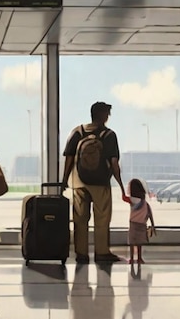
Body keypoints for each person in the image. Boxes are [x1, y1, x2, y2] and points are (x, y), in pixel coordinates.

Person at [61, 101, 126, 264]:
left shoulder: (77, 132)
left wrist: (64, 181)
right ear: (103, 115)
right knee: (102, 218)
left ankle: (81, 253)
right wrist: (120, 183)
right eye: (107, 113)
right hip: (100, 182)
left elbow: (69, 159)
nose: (109, 117)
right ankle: (102, 252)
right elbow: (114, 163)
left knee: (80, 218)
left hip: (79, 182)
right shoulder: (109, 135)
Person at [123, 179, 156, 264]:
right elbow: (149, 214)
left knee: (132, 242)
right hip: (142, 224)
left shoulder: (132, 200)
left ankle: (131, 258)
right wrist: (153, 225)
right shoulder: (144, 203)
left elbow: (124, 198)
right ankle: (139, 258)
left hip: (133, 224)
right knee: (139, 243)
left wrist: (121, 188)